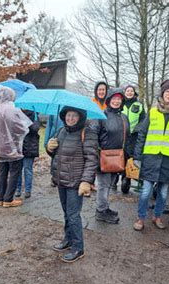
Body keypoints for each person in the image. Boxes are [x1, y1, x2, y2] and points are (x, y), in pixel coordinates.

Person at [133, 79, 169, 231]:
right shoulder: (153, 112)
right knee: (145, 192)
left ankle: (157, 217)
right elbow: (142, 134)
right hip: (151, 159)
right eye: (167, 92)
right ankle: (140, 218)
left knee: (163, 193)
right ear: (162, 94)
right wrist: (137, 156)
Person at [47, 106, 98, 263]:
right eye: (68, 115)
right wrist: (49, 148)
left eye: (74, 116)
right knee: (66, 213)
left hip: (76, 181)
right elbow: (55, 154)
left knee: (73, 215)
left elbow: (92, 159)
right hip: (61, 179)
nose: (70, 119)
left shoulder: (87, 133)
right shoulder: (61, 131)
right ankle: (68, 239)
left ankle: (78, 247)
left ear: (80, 117)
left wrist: (86, 181)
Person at [91, 88, 131, 224]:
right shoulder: (100, 116)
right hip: (103, 157)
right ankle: (100, 211)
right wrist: (97, 153)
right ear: (109, 100)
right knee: (103, 185)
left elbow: (127, 137)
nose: (116, 101)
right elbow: (93, 136)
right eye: (114, 98)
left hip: (118, 157)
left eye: (119, 99)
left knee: (109, 185)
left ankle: (105, 207)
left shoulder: (124, 117)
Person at [0, 86, 31, 207]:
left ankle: (1, 198)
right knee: (14, 172)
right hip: (12, 147)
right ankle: (8, 199)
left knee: (2, 172)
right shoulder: (13, 110)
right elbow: (20, 128)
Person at [114, 84, 146, 192]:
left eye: (131, 91)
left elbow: (143, 119)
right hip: (121, 135)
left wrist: (138, 128)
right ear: (124, 92)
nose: (130, 93)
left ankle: (126, 178)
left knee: (130, 158)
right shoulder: (120, 104)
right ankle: (114, 180)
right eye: (128, 91)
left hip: (134, 136)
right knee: (120, 157)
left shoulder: (139, 105)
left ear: (134, 93)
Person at [16, 109, 40, 199]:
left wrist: (25, 122)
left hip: (30, 146)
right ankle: (17, 190)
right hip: (19, 146)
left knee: (27, 169)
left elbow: (35, 128)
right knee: (17, 170)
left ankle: (27, 190)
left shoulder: (35, 114)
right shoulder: (16, 113)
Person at [44, 114, 64, 187]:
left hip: (68, 138)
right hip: (55, 138)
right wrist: (46, 142)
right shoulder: (54, 111)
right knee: (55, 158)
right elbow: (49, 126)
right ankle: (54, 176)